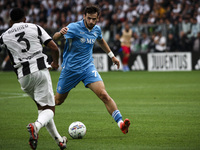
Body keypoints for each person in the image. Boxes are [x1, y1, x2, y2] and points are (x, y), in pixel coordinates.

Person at [53, 5, 130, 134]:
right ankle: (41, 115)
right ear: (84, 16)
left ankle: (121, 123)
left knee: (104, 95)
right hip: (70, 70)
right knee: (58, 101)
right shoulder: (73, 27)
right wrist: (60, 33)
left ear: (97, 18)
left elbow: (101, 40)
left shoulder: (96, 29)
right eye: (89, 19)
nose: (91, 22)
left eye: (94, 19)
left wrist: (112, 56)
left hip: (88, 68)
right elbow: (54, 38)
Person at [0, 8, 67, 150]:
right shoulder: (35, 27)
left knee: (42, 109)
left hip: (23, 77)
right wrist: (55, 63)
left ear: (10, 21)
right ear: (25, 18)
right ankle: (35, 126)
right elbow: (54, 48)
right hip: (40, 71)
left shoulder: (4, 35)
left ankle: (59, 141)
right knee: (50, 109)